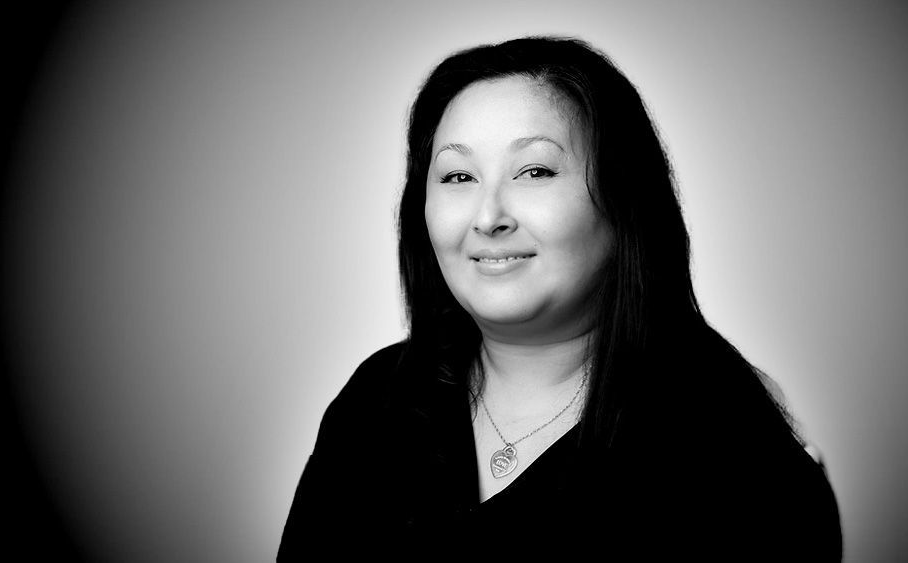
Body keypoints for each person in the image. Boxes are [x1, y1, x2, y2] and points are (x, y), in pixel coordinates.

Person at [278, 36, 841, 559]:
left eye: (535, 170)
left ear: (624, 205)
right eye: (456, 177)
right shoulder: (378, 398)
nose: (489, 216)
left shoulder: (734, 453)